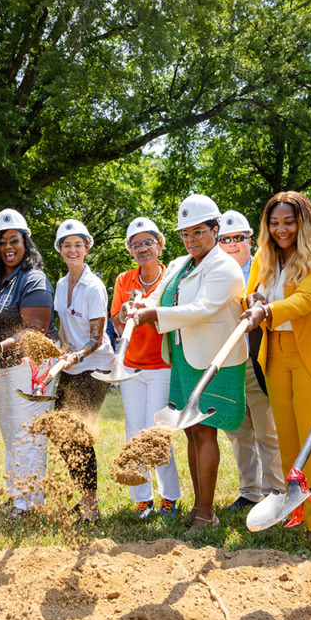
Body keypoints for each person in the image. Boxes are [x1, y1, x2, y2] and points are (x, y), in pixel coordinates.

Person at [127, 194, 247, 533]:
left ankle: (206, 513)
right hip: (182, 357)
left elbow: (204, 309)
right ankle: (197, 506)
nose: (191, 240)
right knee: (192, 433)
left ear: (215, 229)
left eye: (198, 232)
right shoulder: (181, 263)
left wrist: (154, 315)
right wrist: (138, 307)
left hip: (213, 360)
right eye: (185, 234)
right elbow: (159, 293)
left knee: (205, 432)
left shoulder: (224, 266)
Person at [240, 191, 311, 541]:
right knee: (287, 440)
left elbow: (305, 300)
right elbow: (249, 294)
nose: (281, 229)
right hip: (275, 352)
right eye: (274, 223)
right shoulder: (264, 256)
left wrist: (267, 310)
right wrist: (253, 299)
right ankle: (297, 515)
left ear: (304, 221)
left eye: (289, 221)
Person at [0, 209, 56, 521]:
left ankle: (29, 502)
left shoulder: (34, 278)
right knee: (11, 433)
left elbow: (34, 330)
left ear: (26, 242)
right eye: (2, 242)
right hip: (1, 365)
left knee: (29, 434)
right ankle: (17, 494)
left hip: (29, 365)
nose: (8, 246)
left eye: (14, 240)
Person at [111, 217, 182, 519]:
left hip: (161, 365)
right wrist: (125, 313)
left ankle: (169, 496)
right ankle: (142, 497)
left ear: (159, 244)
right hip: (130, 368)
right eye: (136, 245)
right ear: (130, 250)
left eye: (148, 242)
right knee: (133, 432)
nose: (143, 249)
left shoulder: (173, 278)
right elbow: (115, 321)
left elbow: (176, 316)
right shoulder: (124, 280)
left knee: (157, 432)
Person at [217, 210, 282, 512]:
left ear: (249, 240)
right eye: (224, 239)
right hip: (226, 363)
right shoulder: (213, 272)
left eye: (238, 238)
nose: (231, 245)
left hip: (254, 360)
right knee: (238, 430)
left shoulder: (264, 269)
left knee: (266, 429)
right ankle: (250, 492)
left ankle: (276, 492)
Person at [51, 219, 116, 523]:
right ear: (60, 251)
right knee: (62, 433)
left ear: (87, 248)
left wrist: (76, 355)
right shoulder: (62, 284)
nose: (72, 250)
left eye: (78, 244)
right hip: (71, 364)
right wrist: (63, 350)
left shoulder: (94, 286)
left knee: (79, 434)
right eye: (67, 245)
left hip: (95, 365)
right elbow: (64, 329)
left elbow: (97, 337)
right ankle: (82, 494)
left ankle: (91, 504)